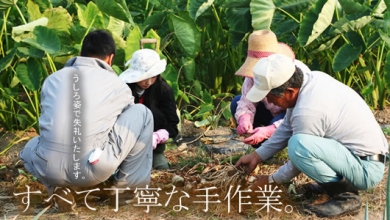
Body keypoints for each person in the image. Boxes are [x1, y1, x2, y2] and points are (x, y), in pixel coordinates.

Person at [235, 53, 389, 217]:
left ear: (289, 91)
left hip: (366, 169)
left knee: (298, 145)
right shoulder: (310, 81)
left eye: (270, 97)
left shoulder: (309, 110)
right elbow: (287, 126)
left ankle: (346, 197)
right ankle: (333, 184)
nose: (269, 102)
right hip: (356, 156)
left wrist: (272, 180)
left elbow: (300, 157)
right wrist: (257, 155)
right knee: (300, 143)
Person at [20, 30, 154, 209]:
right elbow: (124, 127)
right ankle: (126, 192)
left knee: (30, 146)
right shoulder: (117, 84)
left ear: (81, 53)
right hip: (92, 168)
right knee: (142, 113)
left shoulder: (52, 79)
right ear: (110, 58)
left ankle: (58, 188)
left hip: (48, 168)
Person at [231, 30, 310, 147]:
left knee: (277, 126)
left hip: (289, 115)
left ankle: (271, 143)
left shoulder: (297, 73)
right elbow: (246, 101)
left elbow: (302, 115)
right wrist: (245, 119)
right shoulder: (252, 75)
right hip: (270, 113)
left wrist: (269, 130)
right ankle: (258, 142)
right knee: (235, 103)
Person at [119, 48, 179, 170]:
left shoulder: (164, 90)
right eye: (144, 77)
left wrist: (158, 136)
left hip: (154, 147)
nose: (149, 82)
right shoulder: (124, 89)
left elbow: (173, 125)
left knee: (162, 169)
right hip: (127, 145)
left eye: (153, 77)